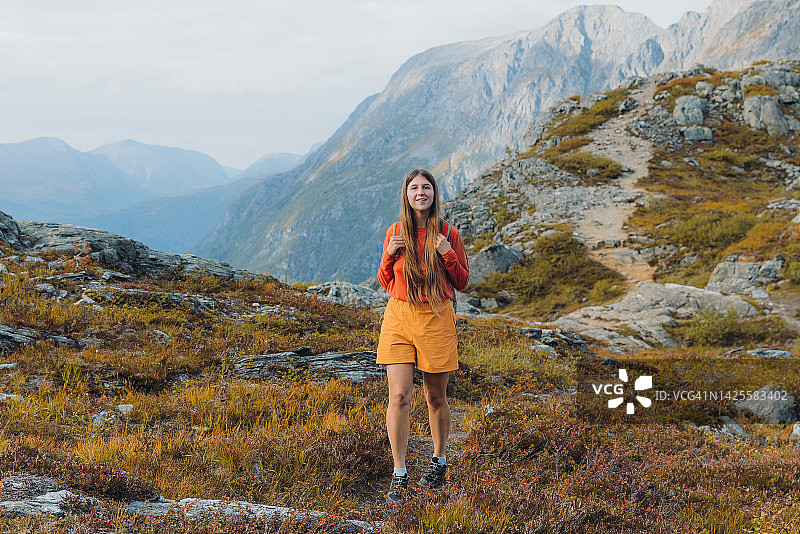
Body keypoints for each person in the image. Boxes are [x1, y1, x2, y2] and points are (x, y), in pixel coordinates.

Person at [375, 168, 469, 505]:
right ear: (407, 193)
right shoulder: (395, 231)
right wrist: (389, 252)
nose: (420, 193)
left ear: (434, 194)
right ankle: (399, 473)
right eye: (414, 188)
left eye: (426, 187)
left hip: (436, 317)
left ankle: (439, 460)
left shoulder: (448, 233)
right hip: (399, 316)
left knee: (434, 397)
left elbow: (461, 282)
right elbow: (385, 281)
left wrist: (446, 251)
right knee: (399, 396)